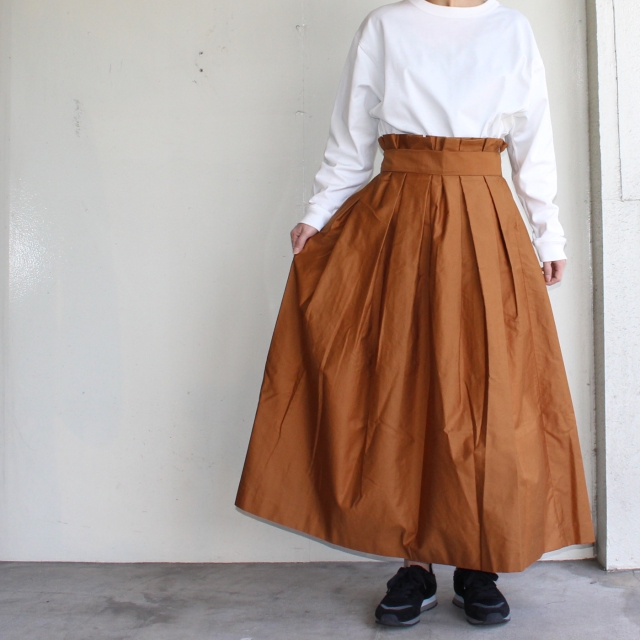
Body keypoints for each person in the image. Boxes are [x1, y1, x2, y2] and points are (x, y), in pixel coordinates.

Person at [235, 0, 595, 628]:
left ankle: (478, 560)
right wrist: (318, 215)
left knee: (489, 393)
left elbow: (533, 138)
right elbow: (351, 137)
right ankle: (415, 564)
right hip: (397, 219)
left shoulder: (511, 28)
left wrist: (549, 234)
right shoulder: (385, 26)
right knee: (401, 389)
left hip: (485, 218)